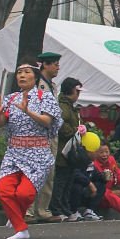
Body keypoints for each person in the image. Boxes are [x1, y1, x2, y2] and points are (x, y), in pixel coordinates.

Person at [0, 63, 62, 239]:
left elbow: (47, 121)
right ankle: (21, 228)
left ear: (35, 77)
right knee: (4, 190)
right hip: (14, 151)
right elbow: (0, 124)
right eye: (19, 72)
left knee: (25, 193)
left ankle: (16, 218)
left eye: (27, 72)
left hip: (37, 153)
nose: (22, 75)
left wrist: (27, 111)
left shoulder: (45, 97)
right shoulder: (10, 98)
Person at [26, 51, 62, 224]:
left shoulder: (52, 86)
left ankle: (43, 209)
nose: (57, 67)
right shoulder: (38, 84)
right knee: (35, 171)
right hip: (39, 132)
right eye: (55, 64)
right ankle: (29, 210)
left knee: (49, 172)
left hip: (51, 132)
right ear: (45, 65)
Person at [50, 77, 83, 221]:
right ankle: (57, 209)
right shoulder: (63, 107)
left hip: (69, 150)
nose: (78, 94)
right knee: (61, 181)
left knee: (67, 181)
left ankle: (65, 207)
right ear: (72, 90)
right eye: (77, 91)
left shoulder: (70, 107)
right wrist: (75, 130)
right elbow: (61, 125)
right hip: (63, 150)